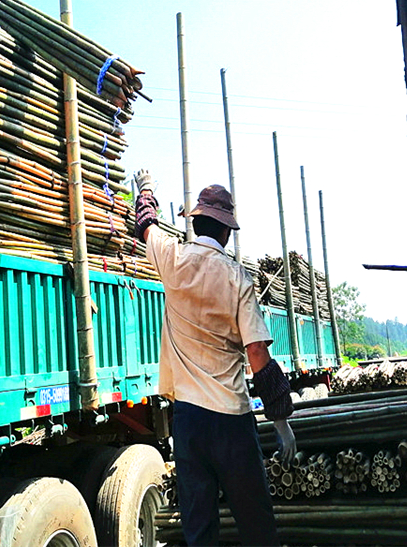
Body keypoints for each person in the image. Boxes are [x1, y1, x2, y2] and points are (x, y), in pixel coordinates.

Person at [133, 170, 296, 547]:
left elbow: (145, 223)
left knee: (199, 528)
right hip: (231, 421)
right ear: (226, 232)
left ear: (196, 223)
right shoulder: (237, 278)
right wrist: (282, 421)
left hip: (189, 421)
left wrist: (146, 188)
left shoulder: (172, 259)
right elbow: (257, 353)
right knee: (256, 525)